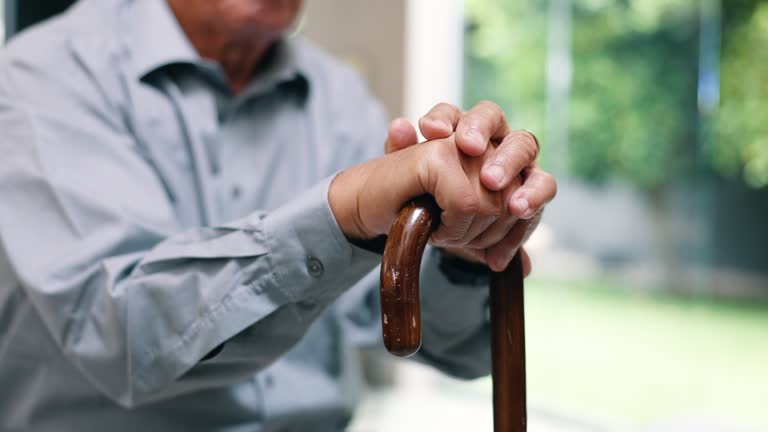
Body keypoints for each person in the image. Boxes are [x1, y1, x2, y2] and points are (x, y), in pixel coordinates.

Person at [0, 0, 557, 430]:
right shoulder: (42, 76)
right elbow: (122, 334)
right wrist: (345, 212)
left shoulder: (337, 95)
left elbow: (407, 327)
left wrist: (460, 252)